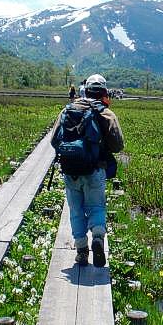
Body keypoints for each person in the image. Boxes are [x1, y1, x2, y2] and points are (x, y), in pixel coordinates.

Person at [51, 74, 124, 266]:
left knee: (75, 210)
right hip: (95, 170)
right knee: (96, 206)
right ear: (104, 91)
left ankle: (82, 251)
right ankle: (98, 238)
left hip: (70, 171)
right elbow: (118, 145)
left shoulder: (68, 109)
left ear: (86, 89)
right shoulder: (106, 113)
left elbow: (53, 140)